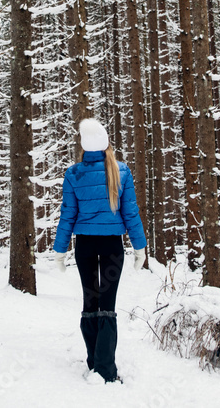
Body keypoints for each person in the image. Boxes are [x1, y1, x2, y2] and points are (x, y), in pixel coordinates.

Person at [53, 117, 147, 383]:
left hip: (84, 245)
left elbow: (67, 215)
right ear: (106, 143)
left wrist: (60, 250)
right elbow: (131, 213)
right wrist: (139, 247)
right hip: (111, 245)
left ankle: (95, 361)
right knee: (107, 304)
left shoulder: (74, 174)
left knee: (90, 301)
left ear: (84, 146)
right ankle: (105, 369)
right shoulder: (122, 171)